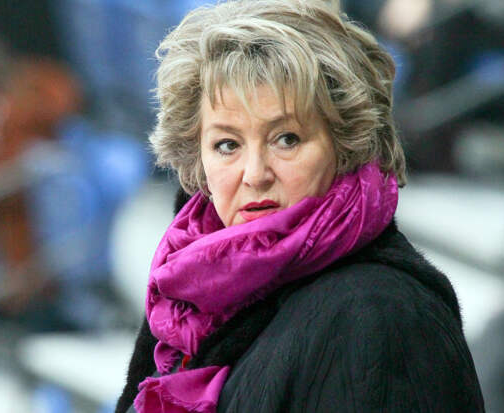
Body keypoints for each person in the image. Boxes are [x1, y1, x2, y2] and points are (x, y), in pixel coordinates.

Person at [116, 0, 485, 412]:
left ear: (347, 144)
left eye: (286, 139)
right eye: (227, 145)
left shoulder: (380, 317)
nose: (255, 174)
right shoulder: (188, 287)